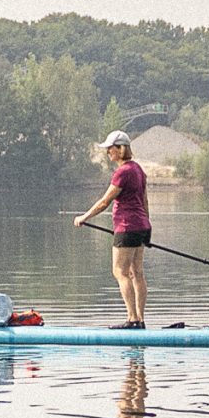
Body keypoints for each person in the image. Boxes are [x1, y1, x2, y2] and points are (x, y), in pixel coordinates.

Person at [74, 131, 151, 327]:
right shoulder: (139, 170)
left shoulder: (123, 172)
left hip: (126, 227)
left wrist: (84, 217)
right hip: (141, 226)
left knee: (120, 271)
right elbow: (144, 201)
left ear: (120, 148)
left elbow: (104, 202)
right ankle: (140, 319)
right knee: (137, 272)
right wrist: (147, 228)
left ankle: (132, 319)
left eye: (110, 148)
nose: (108, 152)